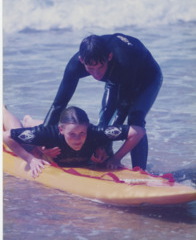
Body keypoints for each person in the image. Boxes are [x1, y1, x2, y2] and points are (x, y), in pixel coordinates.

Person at [43, 33, 163, 170]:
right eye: (90, 69)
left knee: (136, 119)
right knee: (104, 123)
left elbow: (122, 107)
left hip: (148, 78)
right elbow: (58, 104)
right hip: (115, 77)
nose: (97, 75)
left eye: (100, 67)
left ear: (109, 57)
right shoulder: (75, 65)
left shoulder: (124, 60)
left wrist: (105, 144)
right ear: (82, 60)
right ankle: (104, 159)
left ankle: (140, 170)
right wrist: (42, 142)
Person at [3, 105, 145, 178]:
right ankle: (5, 110)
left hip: (52, 130)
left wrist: (116, 158)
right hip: (43, 135)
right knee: (19, 131)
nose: (78, 139)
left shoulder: (95, 132)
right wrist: (31, 159)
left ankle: (31, 122)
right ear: (61, 130)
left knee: (39, 131)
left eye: (82, 133)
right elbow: (5, 136)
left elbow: (138, 132)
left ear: (88, 128)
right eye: (72, 134)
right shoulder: (50, 135)